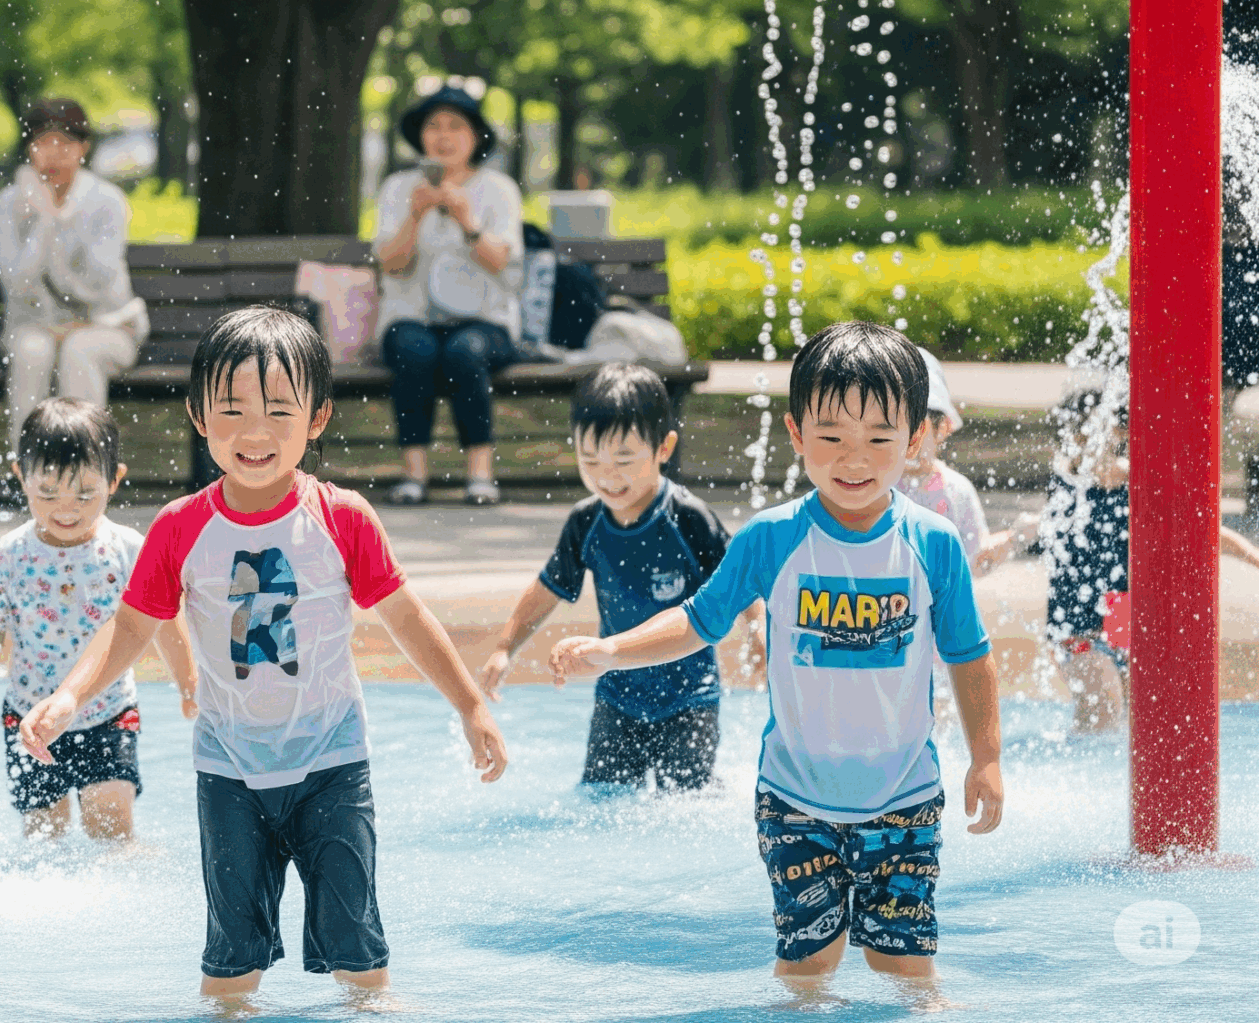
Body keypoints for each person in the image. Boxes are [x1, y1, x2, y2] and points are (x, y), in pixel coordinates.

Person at [21, 306, 508, 1003]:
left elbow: (406, 615)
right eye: (232, 410)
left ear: (317, 419)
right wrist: (70, 696)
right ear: (198, 416)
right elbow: (129, 626)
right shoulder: (182, 527)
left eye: (279, 411)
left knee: (358, 954)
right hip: (229, 769)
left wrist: (470, 706)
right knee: (230, 965)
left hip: (332, 764)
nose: (255, 433)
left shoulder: (341, 519)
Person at [552, 322, 1003, 1002]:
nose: (854, 459)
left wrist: (987, 758)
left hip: (904, 801)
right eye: (831, 438)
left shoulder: (933, 543)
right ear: (797, 436)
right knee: (807, 967)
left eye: (879, 439)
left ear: (915, 440)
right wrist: (612, 652)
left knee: (903, 969)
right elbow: (700, 621)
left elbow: (970, 658)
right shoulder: (772, 538)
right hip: (794, 802)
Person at [476, 363, 734, 791]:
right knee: (602, 800)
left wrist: (760, 633)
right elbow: (546, 589)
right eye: (590, 460)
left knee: (688, 803)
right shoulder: (587, 522)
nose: (606, 476)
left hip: (689, 697)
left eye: (624, 460)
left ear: (664, 449)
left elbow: (736, 581)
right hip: (617, 696)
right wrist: (506, 646)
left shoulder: (687, 518)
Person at [0, 399, 195, 840]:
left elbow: (161, 620)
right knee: (46, 836)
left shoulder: (127, 548)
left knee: (111, 827)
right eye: (47, 494)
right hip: (30, 718)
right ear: (20, 478)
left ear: (115, 480)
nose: (67, 509)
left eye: (85, 494)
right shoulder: (9, 556)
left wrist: (189, 682)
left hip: (108, 710)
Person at [1021, 385, 1259, 734]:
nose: (1087, 442)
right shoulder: (1066, 483)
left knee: (1140, 721)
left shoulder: (1138, 482)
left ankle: (1107, 775)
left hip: (1122, 612)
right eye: (1079, 433)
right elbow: (1035, 530)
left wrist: (1252, 556)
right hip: (1073, 620)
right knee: (1100, 704)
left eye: (1096, 430)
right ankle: (1079, 771)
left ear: (1119, 432)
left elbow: (1199, 530)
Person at [371, 86, 525, 507]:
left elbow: (500, 261)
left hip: (484, 321)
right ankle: (414, 475)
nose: (443, 135)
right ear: (420, 136)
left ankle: (479, 474)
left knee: (464, 353)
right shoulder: (399, 188)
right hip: (411, 317)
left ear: (475, 136)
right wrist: (415, 215)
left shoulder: (498, 189)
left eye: (455, 126)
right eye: (433, 125)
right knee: (413, 350)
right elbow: (392, 264)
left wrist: (467, 221)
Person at [0, 99, 149, 428]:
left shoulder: (106, 200)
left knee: (80, 349)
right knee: (31, 353)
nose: (53, 153)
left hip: (106, 325)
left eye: (64, 143)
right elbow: (16, 283)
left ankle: (86, 466)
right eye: (42, 143)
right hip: (35, 327)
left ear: (83, 148)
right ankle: (28, 466)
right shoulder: (11, 203)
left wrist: (62, 217)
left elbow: (99, 280)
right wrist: (45, 220)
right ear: (29, 149)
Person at [896, 350, 987, 557]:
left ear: (943, 428)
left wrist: (1016, 536)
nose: (907, 444)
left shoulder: (957, 491)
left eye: (918, 430)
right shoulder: (874, 485)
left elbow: (975, 559)